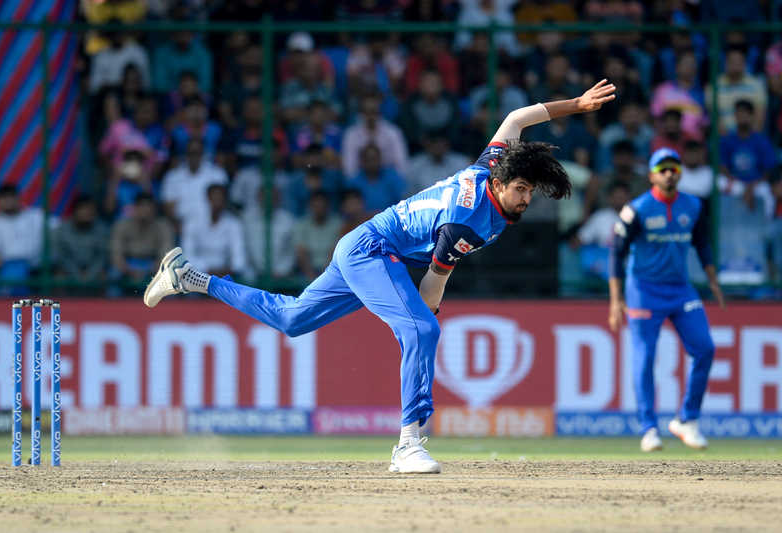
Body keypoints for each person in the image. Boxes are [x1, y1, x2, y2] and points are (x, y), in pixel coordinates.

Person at [143, 80, 616, 474]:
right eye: (520, 190)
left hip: (364, 247)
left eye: (530, 191)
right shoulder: (467, 221)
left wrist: (576, 105)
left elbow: (516, 119)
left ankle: (191, 279)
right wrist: (422, 318)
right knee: (422, 329)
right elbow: (433, 286)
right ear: (498, 184)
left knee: (292, 319)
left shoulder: (490, 165)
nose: (525, 199)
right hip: (373, 251)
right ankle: (408, 443)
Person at [608, 147, 725, 454]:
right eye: (663, 169)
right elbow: (617, 253)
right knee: (645, 357)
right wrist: (616, 300)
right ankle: (649, 429)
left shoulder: (693, 205)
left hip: (681, 289)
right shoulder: (637, 209)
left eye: (674, 168)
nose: (670, 173)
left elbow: (702, 243)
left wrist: (712, 280)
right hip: (644, 290)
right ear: (652, 176)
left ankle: (687, 420)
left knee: (705, 348)